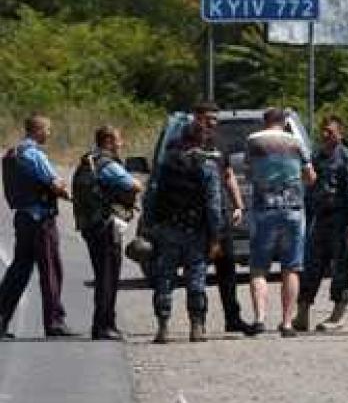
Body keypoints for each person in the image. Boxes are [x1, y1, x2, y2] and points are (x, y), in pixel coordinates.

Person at [143, 122, 223, 343]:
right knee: (196, 278)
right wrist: (216, 235)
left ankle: (163, 327)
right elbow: (213, 205)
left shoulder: (165, 164)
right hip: (195, 230)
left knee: (165, 278)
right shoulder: (207, 166)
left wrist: (148, 226)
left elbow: (151, 195)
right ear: (201, 140)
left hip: (167, 228)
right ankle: (196, 326)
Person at [0, 114, 75, 339]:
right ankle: (54, 322)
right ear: (38, 130)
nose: (49, 134)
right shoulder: (34, 154)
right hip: (40, 219)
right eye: (47, 130)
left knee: (19, 271)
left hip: (22, 217)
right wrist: (65, 192)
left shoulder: (13, 154)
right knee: (51, 270)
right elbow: (54, 183)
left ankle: (2, 318)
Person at [245, 108, 315, 337]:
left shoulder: (254, 141)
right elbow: (311, 176)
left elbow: (248, 172)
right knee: (292, 267)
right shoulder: (295, 142)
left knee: (258, 268)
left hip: (263, 209)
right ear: (284, 122)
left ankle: (259, 319)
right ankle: (286, 323)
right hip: (293, 210)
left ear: (264, 121)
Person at [295, 115, 348, 333]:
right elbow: (307, 186)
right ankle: (302, 314)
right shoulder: (316, 157)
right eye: (324, 131)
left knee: (343, 268)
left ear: (340, 134)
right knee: (310, 267)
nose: (326, 135)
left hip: (342, 221)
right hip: (319, 220)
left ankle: (338, 316)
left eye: (331, 131)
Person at [73, 125, 142, 341]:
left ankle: (104, 323)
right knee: (108, 277)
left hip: (90, 225)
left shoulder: (88, 161)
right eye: (119, 140)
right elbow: (134, 185)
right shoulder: (106, 164)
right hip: (105, 227)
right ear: (110, 141)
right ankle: (103, 326)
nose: (121, 144)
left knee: (103, 275)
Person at [192, 101, 253, 335]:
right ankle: (198, 321)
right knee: (195, 270)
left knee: (227, 269)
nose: (213, 123)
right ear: (196, 117)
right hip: (194, 217)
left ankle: (233, 318)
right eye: (208, 118)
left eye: (215, 119)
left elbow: (228, 175)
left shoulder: (219, 144)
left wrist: (238, 204)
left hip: (221, 214)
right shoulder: (183, 142)